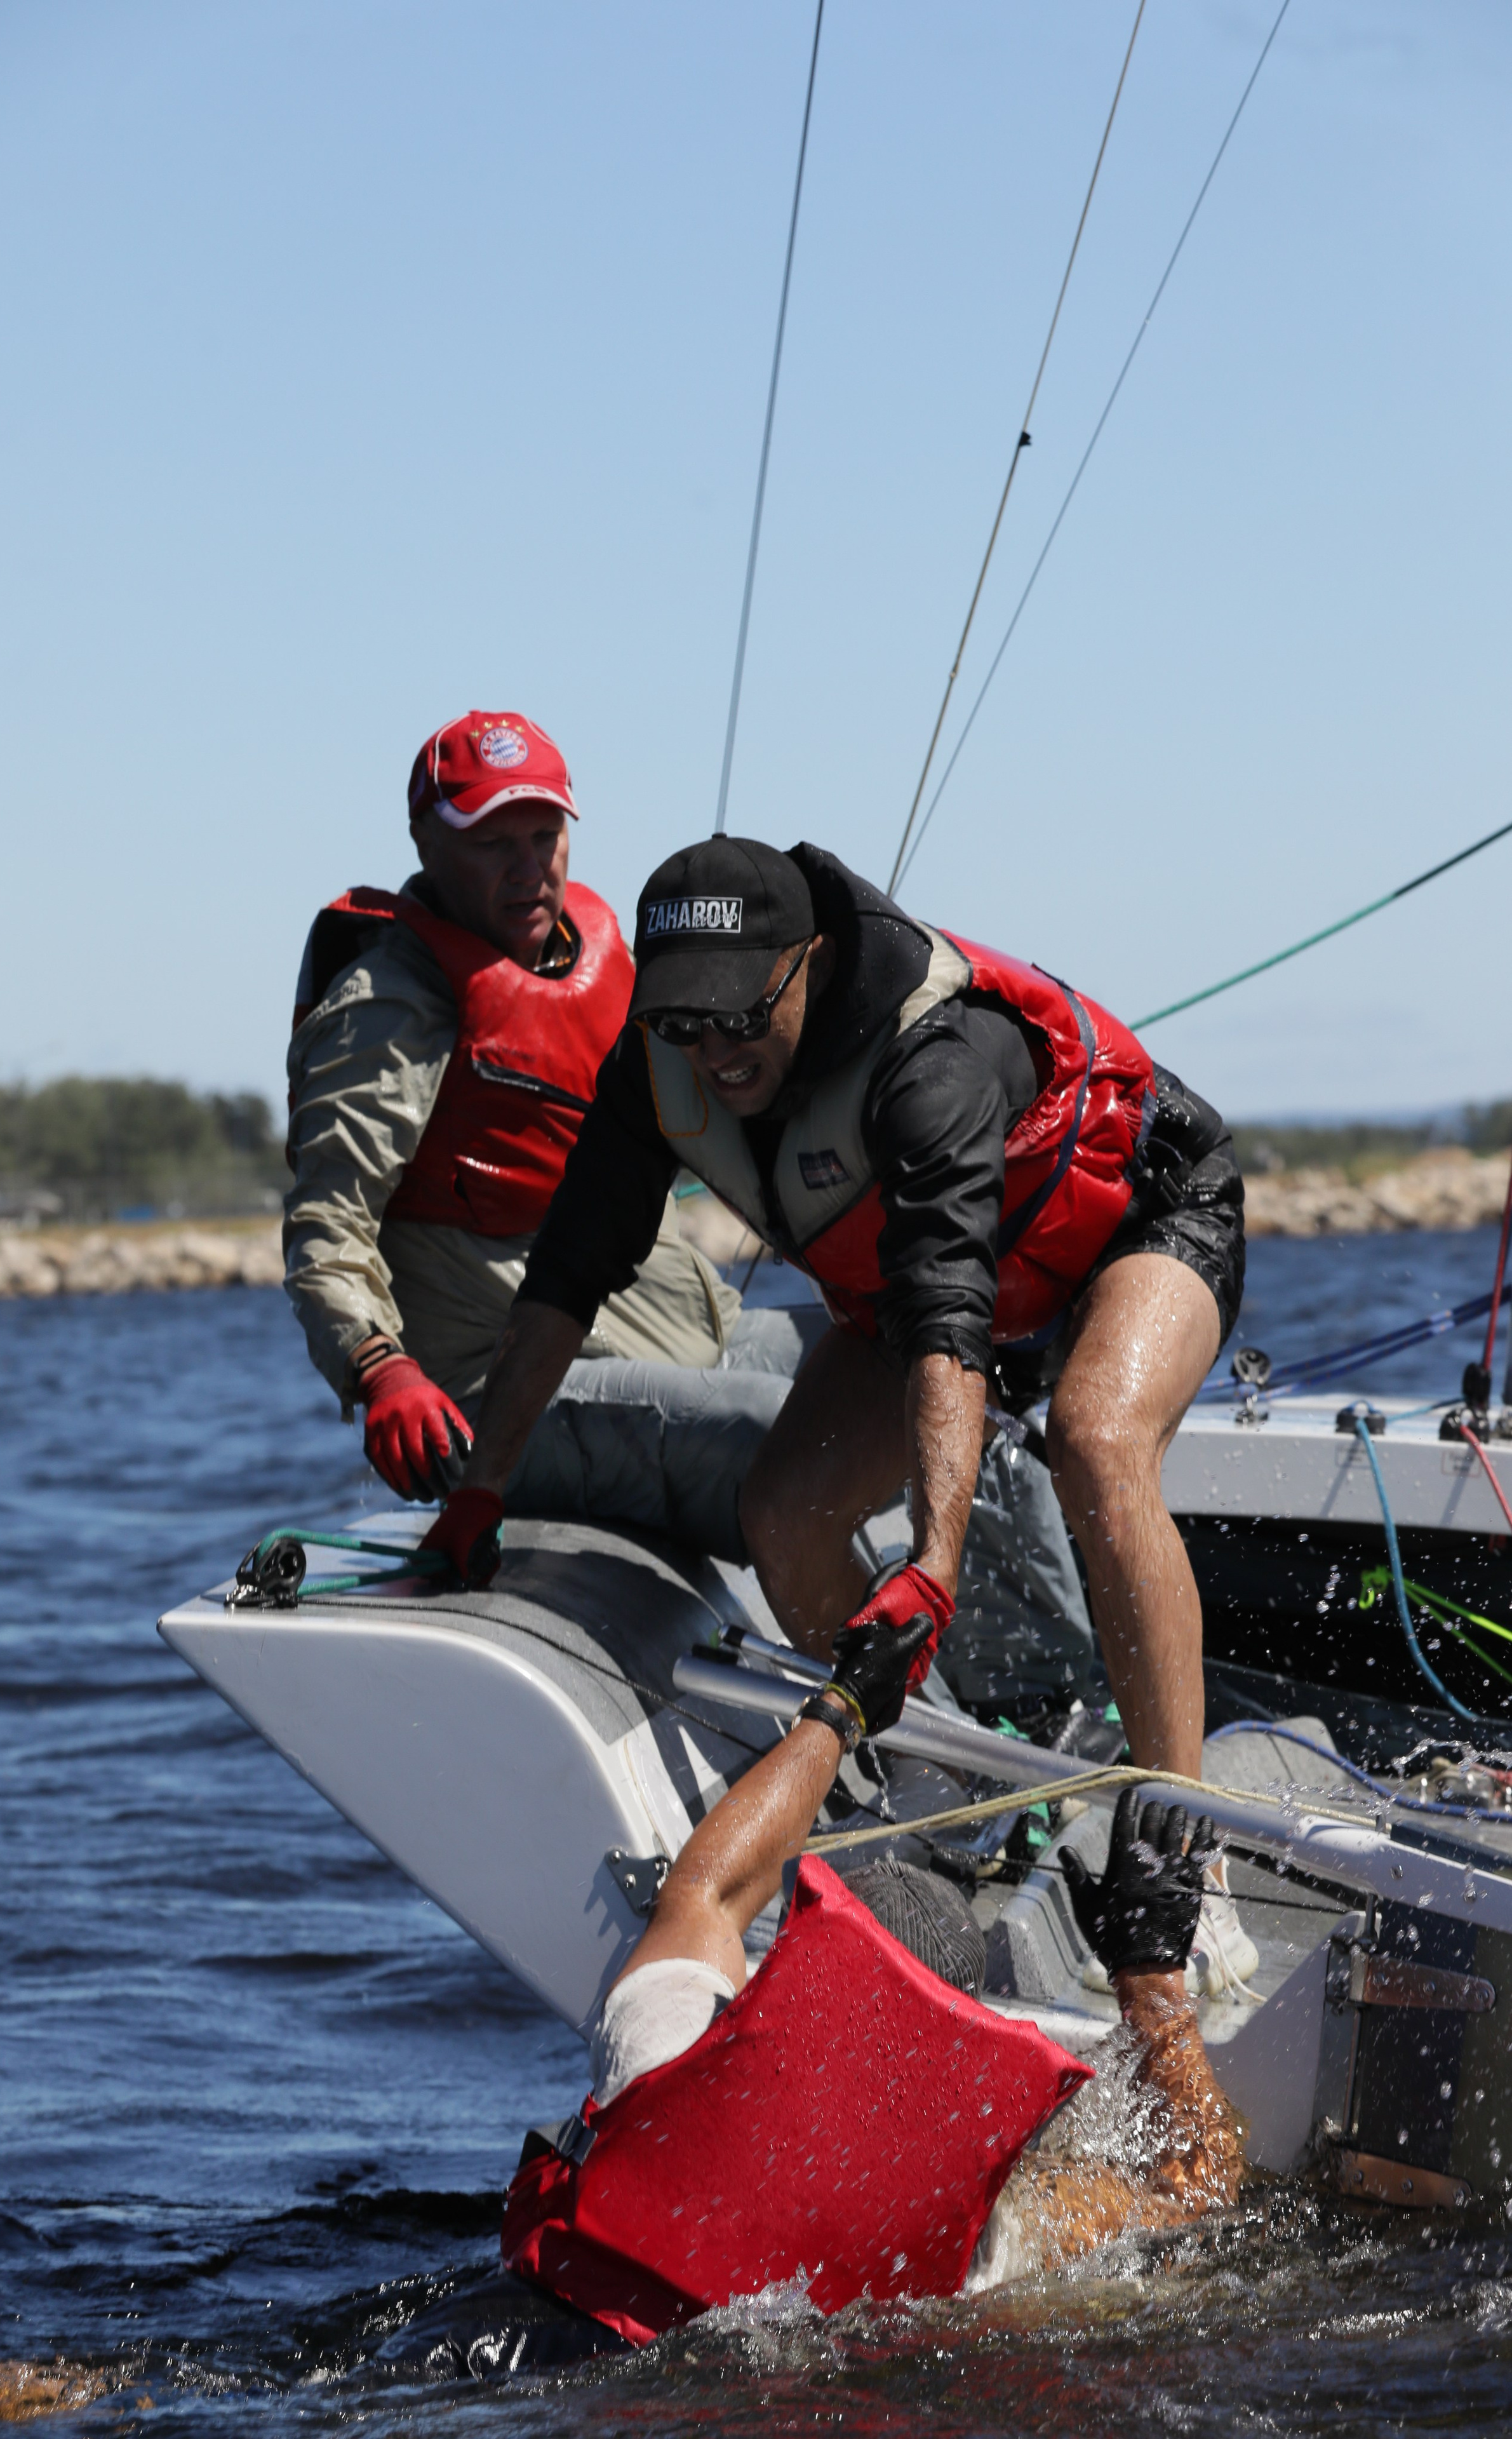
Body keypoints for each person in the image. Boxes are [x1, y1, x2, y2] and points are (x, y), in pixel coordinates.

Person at [428, 836, 1255, 1987]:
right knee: (783, 1512)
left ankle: (1185, 1857)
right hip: (927, 1296)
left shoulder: (935, 1059)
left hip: (1137, 1223)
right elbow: (565, 1284)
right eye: (682, 1022)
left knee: (1094, 1439)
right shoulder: (658, 1067)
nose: (712, 1053)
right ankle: (927, 1789)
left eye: (737, 1018)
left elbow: (950, 1319)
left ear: (809, 964)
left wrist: (931, 1564)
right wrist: (480, 1487)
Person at [501, 1611, 1243, 2342]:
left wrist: (842, 1706)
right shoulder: (986, 2234)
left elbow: (706, 1887)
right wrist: (1151, 1982)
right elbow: (1204, 2197)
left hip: (534, 2333)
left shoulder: (666, 2049)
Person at [282, 717, 813, 1562]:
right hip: (509, 1399)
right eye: (494, 845)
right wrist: (378, 1366)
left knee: (906, 1366)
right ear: (426, 842)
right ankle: (887, 1676)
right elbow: (326, 1228)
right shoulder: (388, 1008)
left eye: (545, 836)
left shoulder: (605, 961)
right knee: (798, 1438)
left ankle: (1056, 1691)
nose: (529, 870)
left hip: (691, 1335)